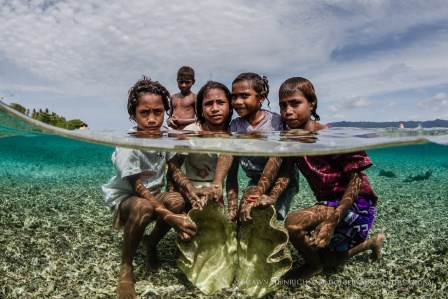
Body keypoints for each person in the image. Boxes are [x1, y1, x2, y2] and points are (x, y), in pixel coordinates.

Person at [278, 77, 385, 282]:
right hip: (328, 205)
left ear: (312, 104)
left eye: (295, 103)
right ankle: (372, 242)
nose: (287, 111)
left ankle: (312, 266)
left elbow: (356, 181)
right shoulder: (292, 139)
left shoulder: (333, 137)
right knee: (329, 260)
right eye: (283, 105)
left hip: (357, 205)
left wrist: (332, 221)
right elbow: (285, 173)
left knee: (293, 224)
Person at [101, 76, 197, 299]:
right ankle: (126, 267)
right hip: (127, 199)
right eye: (144, 113)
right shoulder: (129, 143)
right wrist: (171, 218)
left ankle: (151, 244)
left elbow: (174, 169)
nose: (152, 119)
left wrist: (191, 190)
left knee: (177, 200)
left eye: (158, 112)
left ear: (166, 111)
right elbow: (137, 188)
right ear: (133, 113)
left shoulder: (165, 137)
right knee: (144, 207)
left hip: (152, 196)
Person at [212, 72, 299, 222]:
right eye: (234, 96)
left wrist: (263, 193)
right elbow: (231, 169)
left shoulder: (276, 123)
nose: (238, 101)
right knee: (244, 216)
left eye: (245, 95)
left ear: (261, 97)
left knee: (263, 215)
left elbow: (282, 163)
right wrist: (232, 209)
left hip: (282, 181)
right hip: (255, 180)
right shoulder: (235, 125)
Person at [168, 81, 234, 212]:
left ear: (230, 106)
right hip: (189, 191)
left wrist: (233, 209)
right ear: (201, 109)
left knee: (217, 227)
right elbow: (173, 167)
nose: (215, 108)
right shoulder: (191, 132)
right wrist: (173, 197)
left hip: (215, 191)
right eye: (208, 104)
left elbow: (232, 176)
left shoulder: (233, 133)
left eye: (220, 102)